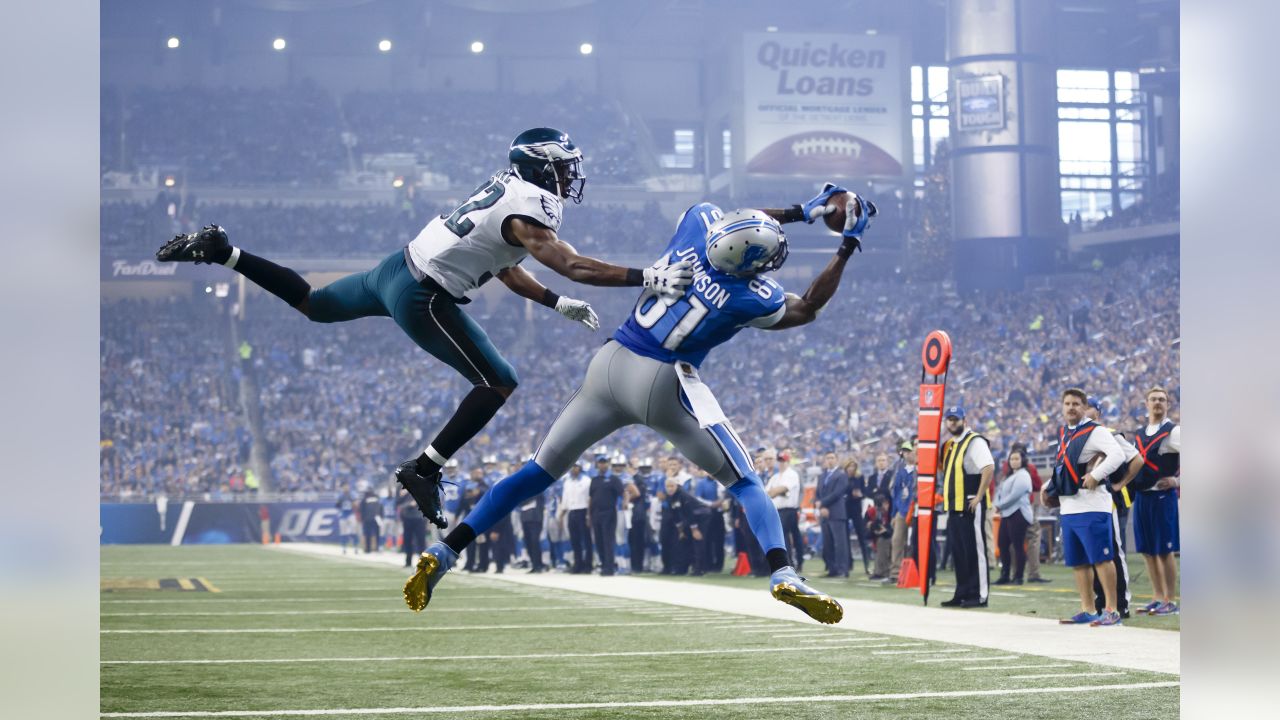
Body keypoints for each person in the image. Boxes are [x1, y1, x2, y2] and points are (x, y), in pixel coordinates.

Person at [156, 128, 693, 529]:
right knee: (498, 381)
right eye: (564, 167)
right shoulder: (531, 207)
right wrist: (646, 275)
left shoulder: (507, 192)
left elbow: (504, 266)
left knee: (314, 304)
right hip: (423, 294)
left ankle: (225, 253)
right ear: (540, 168)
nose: (570, 176)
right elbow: (572, 263)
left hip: (396, 269)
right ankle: (425, 467)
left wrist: (556, 304)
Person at [404, 184, 877, 624]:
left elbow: (738, 219)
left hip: (608, 365)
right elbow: (809, 306)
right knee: (745, 481)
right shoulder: (750, 295)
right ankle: (783, 572)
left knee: (536, 471)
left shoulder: (696, 226)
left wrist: (802, 211)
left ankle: (446, 551)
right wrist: (846, 244)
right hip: (663, 380)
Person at [1048, 388, 1128, 626]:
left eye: (1076, 403)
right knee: (1079, 561)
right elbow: (1063, 467)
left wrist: (1096, 474)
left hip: (1092, 505)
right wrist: (1047, 488)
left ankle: (1112, 610)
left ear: (1084, 407)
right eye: (1067, 403)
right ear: (1062, 407)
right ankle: (1089, 609)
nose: (1071, 407)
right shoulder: (1064, 433)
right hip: (1069, 506)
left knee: (1102, 559)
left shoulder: (1096, 430)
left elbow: (1118, 455)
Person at [1085, 398, 1144, 618]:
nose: (1083, 410)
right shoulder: (1079, 437)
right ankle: (1101, 601)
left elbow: (1137, 460)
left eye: (1088, 406)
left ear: (1098, 412)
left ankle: (1120, 602)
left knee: (1114, 552)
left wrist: (1121, 484)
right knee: (1096, 554)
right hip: (1090, 502)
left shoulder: (1110, 434)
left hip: (1112, 500)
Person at [1130, 386, 1181, 615]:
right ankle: (1157, 596)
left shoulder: (1174, 431)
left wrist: (1177, 481)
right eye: (1153, 399)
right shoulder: (1139, 434)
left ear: (1168, 404)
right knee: (1148, 551)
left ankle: (1170, 599)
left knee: (1164, 550)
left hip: (1162, 497)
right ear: (1146, 403)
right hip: (1143, 496)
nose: (1158, 403)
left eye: (1162, 399)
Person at [939, 407, 995, 608]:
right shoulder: (950, 445)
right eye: (949, 420)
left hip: (971, 503)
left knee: (975, 550)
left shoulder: (975, 441)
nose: (952, 423)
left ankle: (979, 595)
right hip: (954, 505)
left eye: (955, 419)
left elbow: (988, 467)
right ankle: (962, 592)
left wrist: (979, 495)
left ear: (964, 419)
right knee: (959, 552)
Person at [993, 447, 1033, 585]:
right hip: (1007, 513)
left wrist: (999, 506)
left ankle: (1019, 576)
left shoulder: (1023, 475)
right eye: (1012, 459)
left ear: (1023, 460)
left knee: (1018, 546)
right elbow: (999, 492)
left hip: (1019, 513)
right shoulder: (1009, 476)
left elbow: (1014, 496)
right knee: (1002, 544)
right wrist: (998, 504)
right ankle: (1005, 575)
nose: (1014, 461)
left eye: (1017, 459)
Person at [764, 449, 805, 572]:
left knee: (788, 537)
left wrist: (773, 492)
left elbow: (781, 489)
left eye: (784, 460)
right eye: (780, 460)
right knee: (787, 537)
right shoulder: (776, 476)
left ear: (788, 461)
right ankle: (789, 563)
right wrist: (774, 492)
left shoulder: (792, 474)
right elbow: (767, 492)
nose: (782, 463)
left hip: (789, 510)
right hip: (778, 510)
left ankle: (792, 563)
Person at [666, 476, 712, 575]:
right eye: (668, 486)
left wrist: (695, 530)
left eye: (672, 486)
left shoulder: (683, 495)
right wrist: (680, 531)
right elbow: (675, 515)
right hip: (690, 518)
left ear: (677, 486)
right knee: (683, 540)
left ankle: (699, 569)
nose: (670, 488)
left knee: (698, 541)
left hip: (702, 515)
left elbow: (690, 512)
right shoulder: (670, 497)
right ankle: (682, 568)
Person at [814, 452, 850, 578]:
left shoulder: (841, 475)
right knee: (828, 543)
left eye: (832, 458)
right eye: (827, 457)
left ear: (837, 459)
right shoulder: (822, 475)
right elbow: (817, 493)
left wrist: (822, 503)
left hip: (837, 512)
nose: (829, 460)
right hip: (824, 514)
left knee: (840, 543)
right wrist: (820, 505)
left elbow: (838, 493)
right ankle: (832, 568)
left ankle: (842, 569)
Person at [589, 453, 625, 576]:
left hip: (609, 512)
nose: (602, 464)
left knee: (608, 540)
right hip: (596, 513)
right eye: (600, 462)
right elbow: (591, 498)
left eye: (604, 462)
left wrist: (625, 504)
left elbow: (623, 492)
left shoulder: (614, 479)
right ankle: (604, 564)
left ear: (608, 464)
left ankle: (609, 567)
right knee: (598, 540)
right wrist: (588, 515)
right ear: (597, 464)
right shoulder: (594, 480)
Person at [888, 441, 916, 584]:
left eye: (909, 451)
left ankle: (916, 571)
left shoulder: (921, 469)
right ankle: (895, 573)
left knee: (914, 543)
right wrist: (894, 514)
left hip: (916, 510)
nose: (907, 454)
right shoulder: (901, 471)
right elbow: (896, 494)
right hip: (902, 510)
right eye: (905, 451)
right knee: (897, 540)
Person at [559, 462, 593, 573]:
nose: (574, 469)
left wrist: (588, 514)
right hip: (571, 511)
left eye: (576, 467)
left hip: (582, 511)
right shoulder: (567, 481)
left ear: (580, 468)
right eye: (572, 466)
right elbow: (565, 499)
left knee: (586, 540)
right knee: (574, 540)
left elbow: (589, 498)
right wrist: (562, 514)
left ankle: (588, 565)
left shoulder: (586, 481)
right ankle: (578, 564)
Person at [625, 459, 655, 573]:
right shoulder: (639, 478)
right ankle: (637, 565)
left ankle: (637, 566)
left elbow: (637, 494)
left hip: (636, 513)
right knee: (637, 541)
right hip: (640, 512)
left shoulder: (636, 479)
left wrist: (626, 499)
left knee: (636, 541)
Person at [843, 458, 872, 576]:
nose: (851, 469)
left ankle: (867, 564)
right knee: (845, 538)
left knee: (862, 537)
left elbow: (865, 493)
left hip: (856, 509)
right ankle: (849, 563)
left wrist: (860, 495)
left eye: (853, 466)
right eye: (849, 466)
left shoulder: (859, 477)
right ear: (846, 468)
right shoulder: (843, 478)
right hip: (845, 509)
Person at [868, 453, 894, 579]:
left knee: (886, 538)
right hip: (875, 512)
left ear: (887, 462)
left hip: (889, 512)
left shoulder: (891, 475)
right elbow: (868, 492)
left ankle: (884, 570)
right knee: (876, 539)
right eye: (879, 460)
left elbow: (887, 492)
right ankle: (879, 569)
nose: (881, 462)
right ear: (876, 462)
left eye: (883, 460)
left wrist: (878, 492)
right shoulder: (872, 477)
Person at [517, 483, 546, 573]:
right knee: (528, 542)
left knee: (534, 542)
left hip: (535, 519)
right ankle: (534, 564)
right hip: (525, 518)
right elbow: (519, 502)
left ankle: (538, 565)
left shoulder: (538, 489)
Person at [398, 489, 427, 568]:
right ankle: (408, 561)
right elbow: (398, 504)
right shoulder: (403, 489)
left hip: (419, 519)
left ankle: (422, 562)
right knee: (407, 541)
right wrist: (408, 503)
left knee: (421, 541)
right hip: (407, 519)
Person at [359, 486, 383, 554]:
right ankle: (374, 548)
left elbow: (361, 509)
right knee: (375, 533)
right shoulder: (376, 498)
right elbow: (381, 507)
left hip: (370, 518)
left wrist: (363, 517)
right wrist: (381, 516)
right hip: (375, 518)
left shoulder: (365, 498)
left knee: (370, 534)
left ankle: (369, 548)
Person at [335, 483, 358, 554]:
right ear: (342, 488)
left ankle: (355, 547)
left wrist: (354, 504)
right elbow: (337, 505)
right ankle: (344, 548)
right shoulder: (340, 495)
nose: (346, 488)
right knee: (343, 532)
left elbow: (356, 504)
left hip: (351, 514)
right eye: (345, 487)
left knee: (354, 530)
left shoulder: (352, 494)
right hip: (343, 515)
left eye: (347, 487)